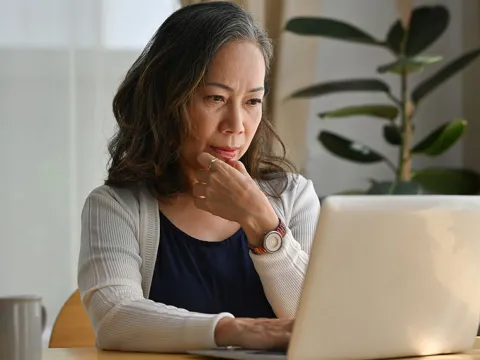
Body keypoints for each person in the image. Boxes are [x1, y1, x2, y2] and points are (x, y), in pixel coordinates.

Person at [77, 1, 320, 354]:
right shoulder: (117, 207)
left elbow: (315, 322)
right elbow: (114, 318)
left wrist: (263, 223)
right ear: (168, 101)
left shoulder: (293, 197)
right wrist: (236, 330)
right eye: (216, 98)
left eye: (252, 101)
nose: (236, 125)